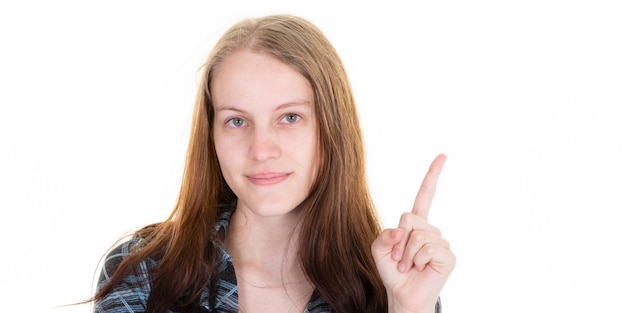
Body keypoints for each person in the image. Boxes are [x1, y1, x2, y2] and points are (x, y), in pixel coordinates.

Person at [90, 14, 455, 313]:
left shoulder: (394, 284)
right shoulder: (142, 275)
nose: (261, 149)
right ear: (212, 135)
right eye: (236, 120)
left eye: (290, 117)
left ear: (332, 128)